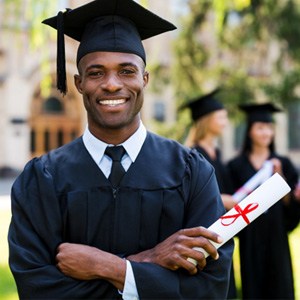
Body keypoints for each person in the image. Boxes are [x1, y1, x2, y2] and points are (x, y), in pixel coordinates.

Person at [8, 0, 234, 299]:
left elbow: (210, 287)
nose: (112, 84)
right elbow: (37, 289)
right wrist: (149, 264)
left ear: (145, 79)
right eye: (97, 73)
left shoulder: (191, 171)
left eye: (126, 71)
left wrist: (112, 268)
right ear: (79, 83)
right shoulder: (42, 179)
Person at [227, 102, 300, 299]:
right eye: (260, 127)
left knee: (280, 286)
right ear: (250, 131)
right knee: (253, 286)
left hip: (277, 236)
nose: (266, 132)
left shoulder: (283, 163)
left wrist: (280, 178)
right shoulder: (236, 166)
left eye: (269, 128)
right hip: (251, 237)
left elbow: (292, 208)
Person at [182, 89, 237, 299]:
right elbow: (191, 195)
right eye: (221, 116)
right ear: (207, 119)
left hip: (222, 232)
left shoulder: (218, 153)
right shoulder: (193, 155)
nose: (225, 121)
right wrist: (224, 200)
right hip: (202, 230)